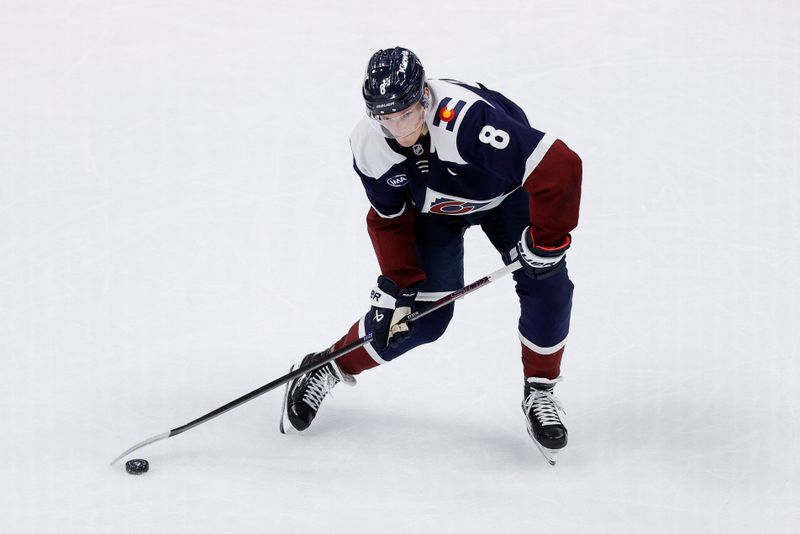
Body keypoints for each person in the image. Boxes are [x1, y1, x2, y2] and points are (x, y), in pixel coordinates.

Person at [279, 47, 582, 464]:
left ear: (424, 95)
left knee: (547, 281)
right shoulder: (369, 144)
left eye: (404, 114)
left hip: (505, 198)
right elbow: (388, 218)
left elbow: (561, 167)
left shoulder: (468, 121)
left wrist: (548, 241)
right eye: (384, 117)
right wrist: (400, 284)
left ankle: (540, 390)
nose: (397, 128)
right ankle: (328, 365)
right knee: (420, 320)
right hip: (434, 214)